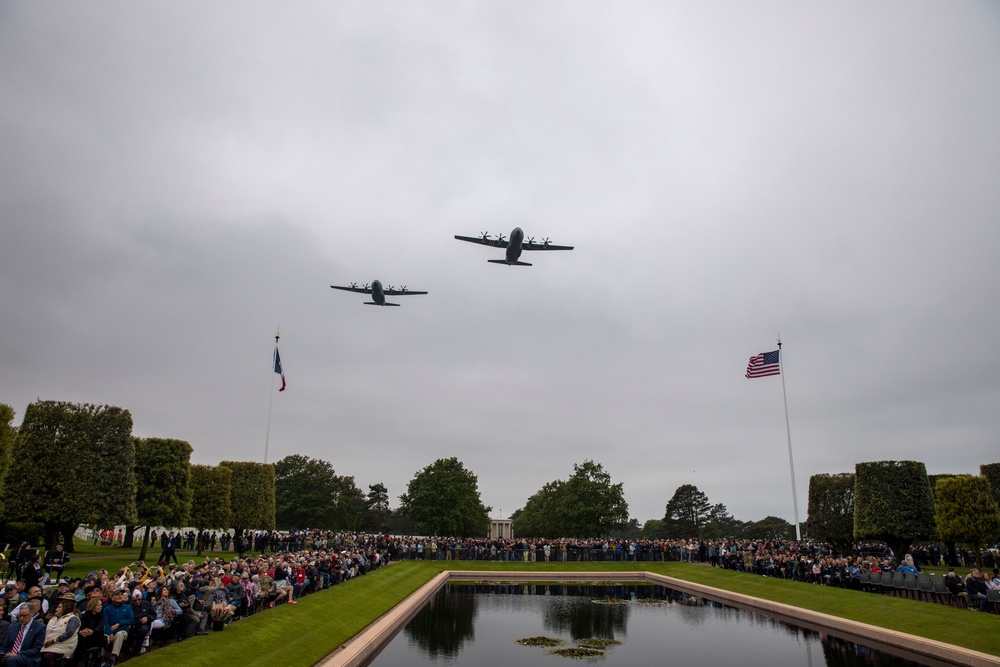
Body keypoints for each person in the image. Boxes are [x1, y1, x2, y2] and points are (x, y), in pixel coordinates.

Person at [0, 602, 46, 667]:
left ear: (32, 614)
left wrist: (17, 654)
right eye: (19, 616)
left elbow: (36, 649)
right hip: (9, 655)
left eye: (24, 616)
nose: (21, 618)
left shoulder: (40, 627)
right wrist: (2, 653)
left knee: (11, 659)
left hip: (28, 657)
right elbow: (4, 646)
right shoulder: (13, 627)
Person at [40, 594, 78, 667]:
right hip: (47, 645)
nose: (56, 609)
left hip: (62, 646)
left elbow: (69, 633)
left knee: (48, 657)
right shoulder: (53, 618)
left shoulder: (73, 618)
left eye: (59, 607)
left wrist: (53, 641)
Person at [100, 590, 132, 667]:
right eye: (117, 595)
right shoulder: (107, 609)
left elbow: (131, 619)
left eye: (121, 594)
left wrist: (119, 623)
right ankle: (100, 658)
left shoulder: (127, 607)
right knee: (105, 637)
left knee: (119, 634)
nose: (120, 596)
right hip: (109, 631)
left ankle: (113, 657)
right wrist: (110, 633)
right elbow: (105, 622)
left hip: (122, 630)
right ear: (112, 597)